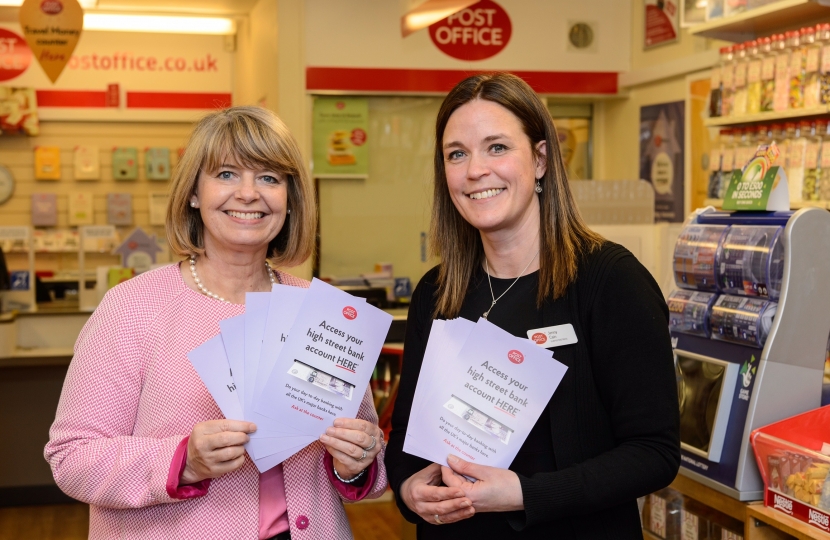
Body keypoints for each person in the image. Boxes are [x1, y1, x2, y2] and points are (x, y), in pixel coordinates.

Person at [44, 106, 387, 540]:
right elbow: (72, 457)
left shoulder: (323, 311)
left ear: (289, 199)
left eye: (269, 178)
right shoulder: (132, 307)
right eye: (226, 174)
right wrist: (184, 461)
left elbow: (368, 457)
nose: (248, 193)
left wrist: (357, 462)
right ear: (193, 193)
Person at [385, 73, 680, 538]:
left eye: (497, 147)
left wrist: (525, 493)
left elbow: (653, 452)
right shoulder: (436, 292)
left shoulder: (611, 282)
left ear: (540, 159)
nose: (475, 170)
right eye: (456, 154)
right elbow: (406, 439)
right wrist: (408, 489)